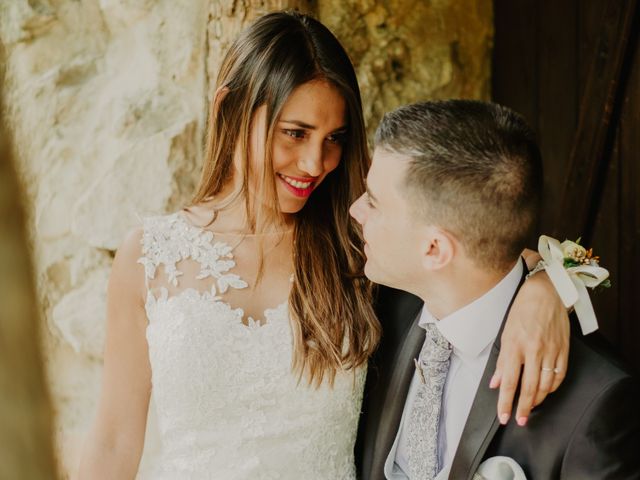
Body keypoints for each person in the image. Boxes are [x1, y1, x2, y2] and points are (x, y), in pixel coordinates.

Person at [77, 12, 568, 479]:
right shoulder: (149, 256)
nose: (315, 163)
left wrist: (545, 287)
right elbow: (115, 440)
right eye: (295, 133)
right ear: (229, 108)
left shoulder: (359, 246)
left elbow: (479, 254)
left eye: (334, 138)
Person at [351, 100, 640, 480]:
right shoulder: (379, 306)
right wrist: (548, 279)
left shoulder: (594, 404)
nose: (356, 210)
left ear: (435, 248)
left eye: (374, 201)